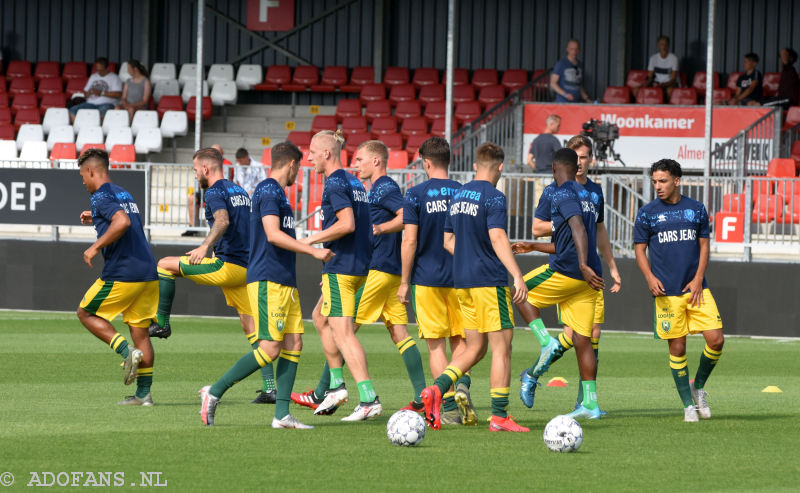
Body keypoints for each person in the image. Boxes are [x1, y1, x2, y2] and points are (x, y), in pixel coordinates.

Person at [199, 142, 334, 428]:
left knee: (294, 343)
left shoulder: (279, 195)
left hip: (285, 279)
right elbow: (272, 235)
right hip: (267, 279)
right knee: (270, 348)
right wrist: (313, 250)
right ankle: (214, 391)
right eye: (301, 165)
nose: (300, 171)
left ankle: (282, 415)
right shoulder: (269, 190)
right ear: (292, 164)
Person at [148, 147, 278, 404]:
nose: (195, 174)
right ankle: (270, 388)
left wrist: (205, 246)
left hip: (228, 267)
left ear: (206, 168)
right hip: (248, 267)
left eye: (196, 170)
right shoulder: (239, 190)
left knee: (164, 265)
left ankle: (162, 322)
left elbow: (222, 221)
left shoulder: (214, 191)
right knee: (251, 326)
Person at [419, 142, 529, 432]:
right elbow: (498, 237)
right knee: (502, 348)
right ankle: (500, 417)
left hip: (462, 282)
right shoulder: (494, 197)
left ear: (475, 165)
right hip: (489, 282)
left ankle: (437, 390)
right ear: (501, 167)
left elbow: (448, 241)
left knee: (475, 347)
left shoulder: (457, 197)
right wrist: (516, 274)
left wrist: (470, 257)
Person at [512, 135, 621, 412]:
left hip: (570, 270)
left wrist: (583, 264)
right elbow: (569, 235)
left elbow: (579, 230)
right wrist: (535, 245)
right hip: (589, 279)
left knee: (517, 289)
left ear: (554, 168)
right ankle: (590, 405)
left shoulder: (562, 192)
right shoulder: (587, 195)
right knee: (583, 340)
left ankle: (544, 342)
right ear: (575, 166)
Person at [299, 129, 381, 421]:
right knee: (320, 317)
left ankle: (368, 398)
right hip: (356, 264)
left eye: (311, 151)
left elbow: (346, 224)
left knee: (343, 333)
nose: (308, 157)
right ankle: (336, 385)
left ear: (326, 153)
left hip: (342, 266)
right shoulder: (354, 181)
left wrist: (311, 240)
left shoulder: (335, 182)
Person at [634, 159, 724, 423]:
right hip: (666, 293)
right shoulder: (647, 212)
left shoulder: (696, 209)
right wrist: (649, 277)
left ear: (677, 180)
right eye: (654, 182)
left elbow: (704, 246)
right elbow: (639, 249)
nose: (658, 186)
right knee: (678, 346)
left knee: (716, 340)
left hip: (696, 288)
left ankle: (698, 388)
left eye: (662, 181)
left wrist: (698, 279)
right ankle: (687, 405)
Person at [398, 137, 476, 426]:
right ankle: (461, 387)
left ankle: (448, 406)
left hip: (426, 279)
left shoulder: (415, 193)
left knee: (435, 346)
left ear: (426, 162)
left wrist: (404, 282)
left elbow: (409, 240)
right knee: (462, 341)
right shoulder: (464, 192)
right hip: (461, 277)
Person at [76, 148, 158, 406]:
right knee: (141, 334)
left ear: (91, 171)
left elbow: (121, 222)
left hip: (123, 273)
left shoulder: (100, 195)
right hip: (148, 272)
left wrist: (96, 246)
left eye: (82, 176)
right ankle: (144, 395)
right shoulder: (123, 193)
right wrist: (96, 216)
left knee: (85, 313)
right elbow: (125, 218)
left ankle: (125, 352)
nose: (83, 182)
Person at [184, 144, 231, 237]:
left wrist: (205, 246)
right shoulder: (205, 162)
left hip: (222, 189)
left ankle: (217, 232)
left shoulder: (227, 164)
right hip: (207, 190)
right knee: (192, 198)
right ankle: (192, 227)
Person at [69, 57, 122, 121]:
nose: (99, 72)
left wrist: (101, 93)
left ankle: (98, 130)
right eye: (97, 69)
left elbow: (118, 94)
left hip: (106, 103)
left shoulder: (114, 78)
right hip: (90, 103)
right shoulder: (93, 76)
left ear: (107, 68)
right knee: (73, 110)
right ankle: (78, 129)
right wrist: (87, 94)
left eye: (101, 70)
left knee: (101, 112)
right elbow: (85, 92)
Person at [634, 35, 679, 99]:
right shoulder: (653, 58)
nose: (663, 46)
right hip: (656, 82)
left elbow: (673, 78)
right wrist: (644, 84)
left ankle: (667, 107)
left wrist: (663, 85)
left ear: (668, 45)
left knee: (670, 91)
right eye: (661, 44)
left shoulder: (674, 58)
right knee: (636, 90)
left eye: (665, 44)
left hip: (669, 83)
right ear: (658, 45)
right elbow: (650, 76)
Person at [551, 39, 592, 103]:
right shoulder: (561, 64)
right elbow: (553, 83)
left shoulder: (580, 65)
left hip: (576, 103)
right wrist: (565, 94)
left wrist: (586, 98)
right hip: (562, 102)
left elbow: (579, 84)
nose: (574, 51)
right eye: (572, 49)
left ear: (579, 50)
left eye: (576, 49)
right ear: (567, 49)